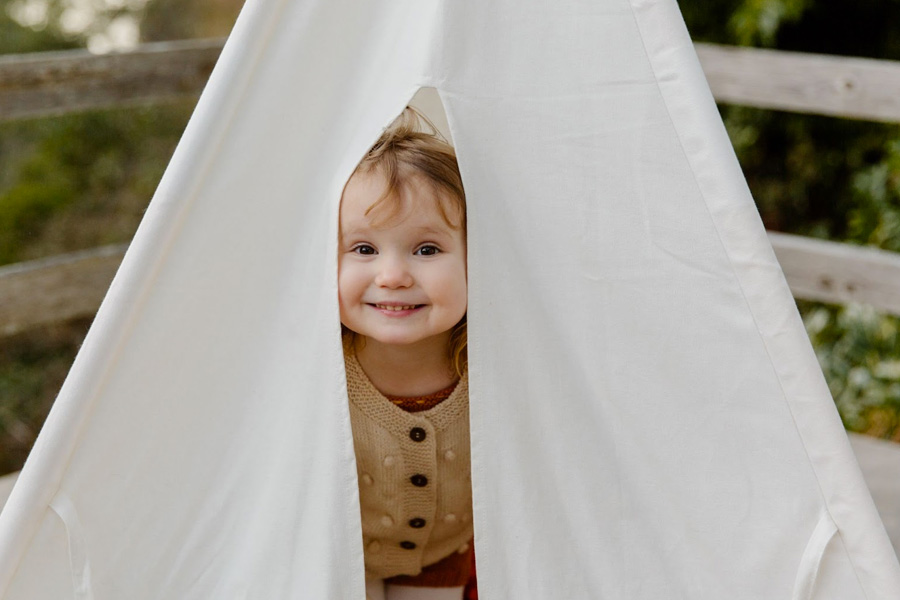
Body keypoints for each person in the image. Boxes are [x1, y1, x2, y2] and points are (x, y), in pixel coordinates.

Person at [338, 107, 474, 600]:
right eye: (364, 250)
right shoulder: (316, 369)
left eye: (426, 250)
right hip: (339, 551)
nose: (392, 275)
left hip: (443, 554)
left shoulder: (492, 366)